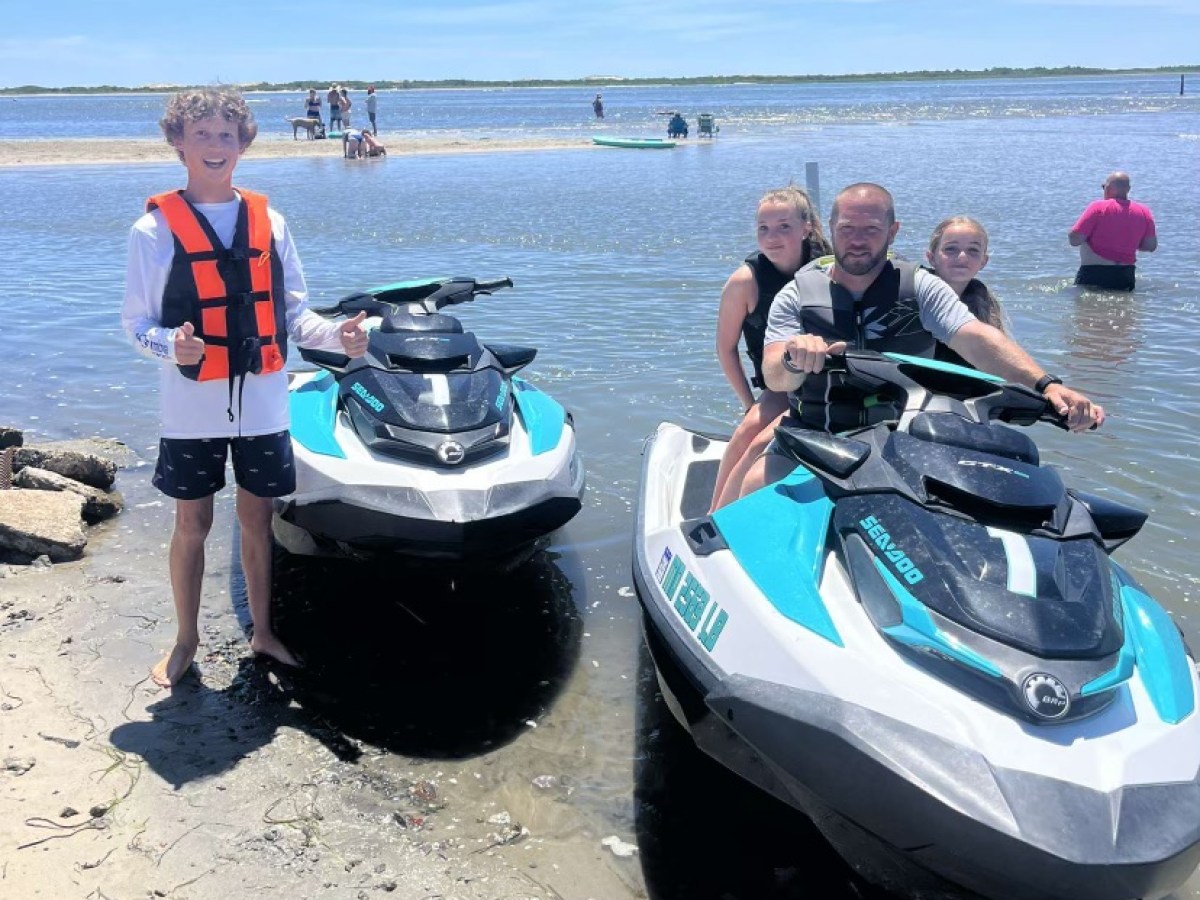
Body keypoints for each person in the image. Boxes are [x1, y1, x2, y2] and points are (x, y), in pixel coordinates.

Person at [121, 88, 370, 688]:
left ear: (244, 144)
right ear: (177, 142)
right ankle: (185, 641)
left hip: (262, 403)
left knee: (258, 522)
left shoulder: (271, 222)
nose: (214, 146)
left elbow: (293, 319)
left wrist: (341, 338)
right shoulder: (152, 230)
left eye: (225, 135)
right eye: (201, 134)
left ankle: (263, 632)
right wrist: (168, 345)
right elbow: (135, 325)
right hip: (191, 409)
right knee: (192, 525)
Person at [738, 183, 1104, 499]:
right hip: (816, 434)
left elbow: (975, 337)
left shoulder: (921, 287)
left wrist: (1047, 385)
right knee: (754, 486)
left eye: (872, 229)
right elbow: (774, 376)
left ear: (893, 231)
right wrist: (792, 357)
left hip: (907, 439)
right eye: (848, 228)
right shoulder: (796, 293)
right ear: (831, 228)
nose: (858, 240)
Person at [710, 186, 831, 510]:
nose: (771, 237)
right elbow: (725, 348)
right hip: (779, 380)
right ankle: (714, 511)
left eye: (783, 227)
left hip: (824, 379)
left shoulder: (828, 269)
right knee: (750, 428)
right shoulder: (744, 282)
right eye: (763, 228)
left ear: (807, 228)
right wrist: (748, 403)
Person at [924, 215, 1005, 367]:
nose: (962, 257)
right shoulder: (911, 296)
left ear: (983, 261)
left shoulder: (986, 306)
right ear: (931, 257)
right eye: (951, 249)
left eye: (973, 250)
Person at [1068, 171, 1156, 291]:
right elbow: (1150, 245)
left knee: (1089, 308)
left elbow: (1075, 240)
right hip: (1126, 275)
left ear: (1108, 188)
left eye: (1104, 187)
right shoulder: (1144, 211)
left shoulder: (1098, 207)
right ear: (1128, 189)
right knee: (1124, 308)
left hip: (1094, 272)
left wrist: (1071, 232)